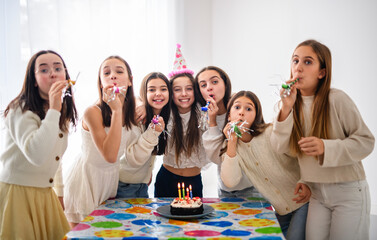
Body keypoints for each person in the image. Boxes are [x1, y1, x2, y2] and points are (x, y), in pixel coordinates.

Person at [270, 39, 375, 240]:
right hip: (316, 193)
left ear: (322, 72)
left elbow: (366, 141)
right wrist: (285, 109)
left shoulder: (336, 99)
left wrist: (325, 147)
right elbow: (279, 147)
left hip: (348, 191)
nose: (298, 68)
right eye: (295, 61)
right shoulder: (286, 105)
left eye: (307, 62)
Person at [0, 50, 78, 239]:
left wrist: (59, 193)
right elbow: (37, 155)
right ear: (33, 80)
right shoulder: (20, 109)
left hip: (45, 195)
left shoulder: (58, 109)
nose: (52, 73)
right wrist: (54, 109)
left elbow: (55, 157)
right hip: (18, 196)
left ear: (66, 76)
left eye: (58, 68)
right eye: (44, 70)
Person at [218, 90, 310, 239]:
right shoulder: (230, 148)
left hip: (304, 202)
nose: (241, 112)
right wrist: (232, 142)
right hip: (281, 212)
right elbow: (230, 181)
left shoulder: (270, 132)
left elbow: (301, 155)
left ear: (256, 115)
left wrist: (306, 181)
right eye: (237, 107)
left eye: (248, 109)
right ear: (229, 115)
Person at [64, 55, 137, 228]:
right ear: (100, 83)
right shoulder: (92, 112)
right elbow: (110, 155)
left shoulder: (132, 110)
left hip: (108, 180)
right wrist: (117, 111)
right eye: (106, 73)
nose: (113, 75)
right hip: (85, 181)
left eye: (119, 71)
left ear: (130, 81)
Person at [195, 66, 259, 198]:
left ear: (225, 84)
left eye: (214, 82)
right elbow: (217, 158)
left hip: (253, 186)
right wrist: (212, 122)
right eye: (203, 85)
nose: (209, 88)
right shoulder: (202, 116)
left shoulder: (239, 108)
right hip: (226, 188)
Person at [116, 72, 171, 198]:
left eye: (163, 89)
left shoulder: (163, 116)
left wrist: (148, 172)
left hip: (142, 184)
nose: (158, 93)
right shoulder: (137, 116)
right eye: (151, 89)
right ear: (144, 93)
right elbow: (134, 158)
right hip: (124, 184)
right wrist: (153, 131)